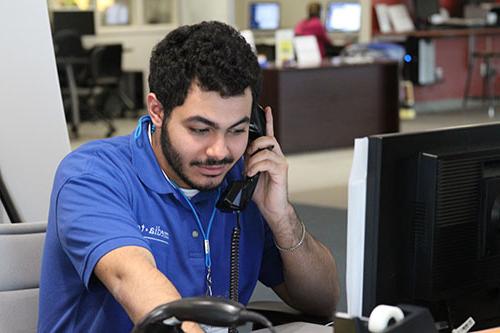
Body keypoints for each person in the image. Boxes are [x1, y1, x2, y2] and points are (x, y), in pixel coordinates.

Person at [38, 21, 339, 332]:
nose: (219, 151)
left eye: (236, 130)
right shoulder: (93, 176)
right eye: (200, 129)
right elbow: (138, 287)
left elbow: (323, 302)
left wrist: (281, 217)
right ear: (157, 110)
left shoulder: (242, 180)